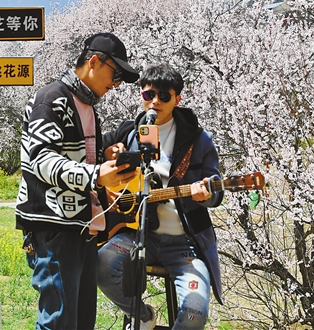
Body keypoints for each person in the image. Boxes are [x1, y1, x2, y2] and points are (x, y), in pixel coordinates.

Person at [15, 32, 141, 330]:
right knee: (58, 322)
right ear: (94, 61)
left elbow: (75, 158)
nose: (116, 84)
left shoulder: (87, 106)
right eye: (116, 74)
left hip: (83, 226)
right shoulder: (52, 99)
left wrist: (103, 157)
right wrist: (96, 174)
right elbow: (41, 160)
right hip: (55, 225)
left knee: (81, 322)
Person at [98, 64, 224, 330]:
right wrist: (107, 153)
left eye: (164, 96)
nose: (155, 101)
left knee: (195, 312)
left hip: (184, 244)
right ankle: (143, 317)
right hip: (135, 235)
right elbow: (91, 147)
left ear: (177, 99)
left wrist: (205, 195)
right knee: (100, 265)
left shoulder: (199, 139)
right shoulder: (131, 132)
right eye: (149, 94)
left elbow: (216, 190)